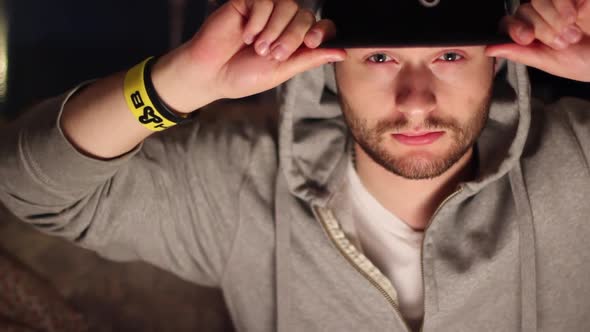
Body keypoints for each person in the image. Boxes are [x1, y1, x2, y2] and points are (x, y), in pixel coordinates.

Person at [1, 0, 589, 331]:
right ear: (331, 62)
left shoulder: (576, 162)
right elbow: (33, 189)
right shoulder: (241, 182)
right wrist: (177, 83)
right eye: (380, 56)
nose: (416, 99)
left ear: (500, 62)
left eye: (451, 55)